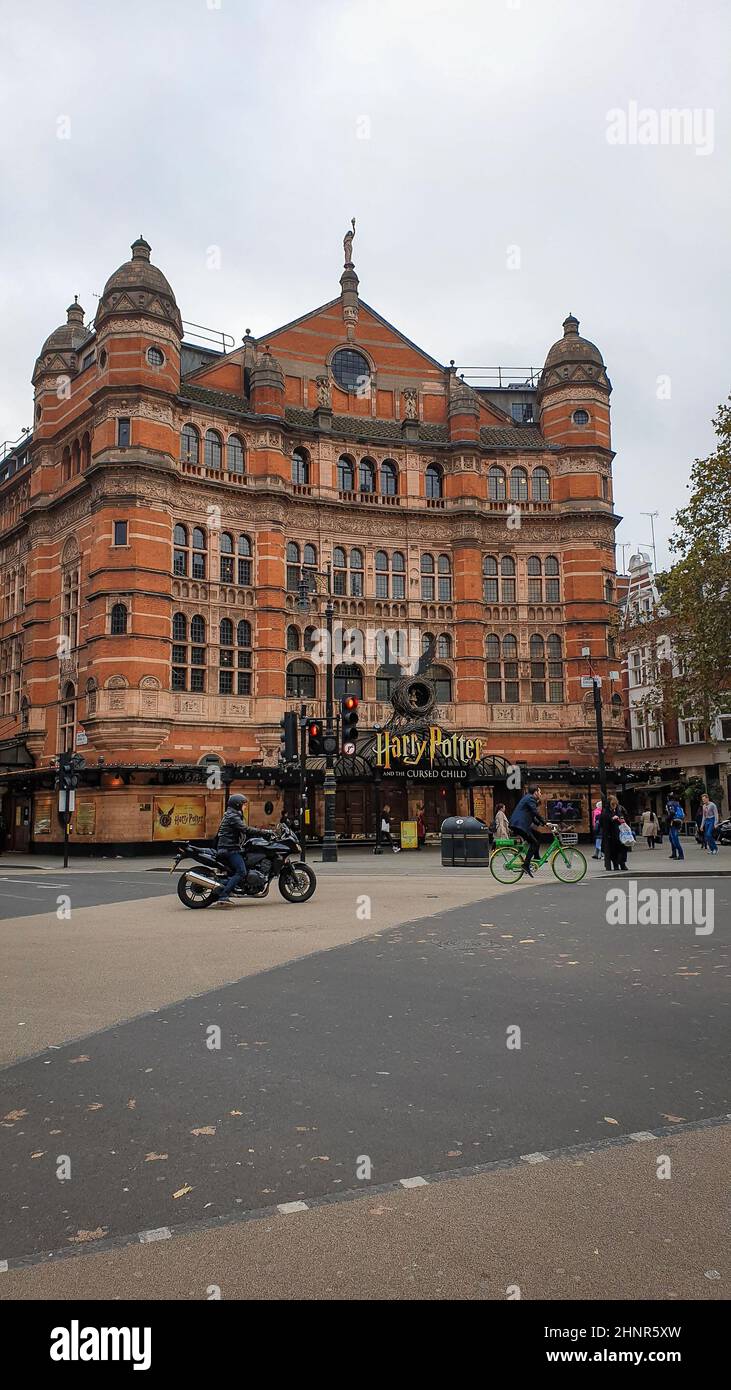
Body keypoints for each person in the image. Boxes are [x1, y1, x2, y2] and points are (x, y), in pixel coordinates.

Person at [213, 793, 251, 908]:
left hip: (229, 847)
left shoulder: (232, 814)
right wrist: (265, 832)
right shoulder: (233, 816)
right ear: (237, 805)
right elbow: (245, 829)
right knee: (241, 871)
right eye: (244, 805)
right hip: (229, 849)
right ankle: (224, 895)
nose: (245, 807)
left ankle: (226, 886)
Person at [508, 785, 545, 877]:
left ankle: (536, 856)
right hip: (520, 826)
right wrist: (544, 821)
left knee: (538, 835)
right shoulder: (530, 799)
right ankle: (525, 865)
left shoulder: (528, 798)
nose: (541, 794)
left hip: (520, 825)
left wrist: (541, 823)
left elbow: (532, 815)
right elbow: (535, 812)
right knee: (534, 843)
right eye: (540, 792)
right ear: (535, 792)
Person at [600, 795, 627, 871]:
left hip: (619, 833)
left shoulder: (618, 810)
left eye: (615, 804)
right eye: (612, 804)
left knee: (622, 849)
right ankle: (616, 865)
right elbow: (602, 822)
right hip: (610, 835)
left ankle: (622, 864)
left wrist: (621, 819)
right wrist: (611, 819)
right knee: (613, 851)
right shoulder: (605, 811)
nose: (614, 806)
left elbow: (623, 816)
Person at [665, 795, 685, 861]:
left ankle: (680, 854)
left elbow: (672, 812)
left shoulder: (669, 804)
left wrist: (667, 819)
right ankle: (674, 853)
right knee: (671, 837)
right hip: (679, 820)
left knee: (674, 838)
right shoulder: (677, 803)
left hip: (673, 821)